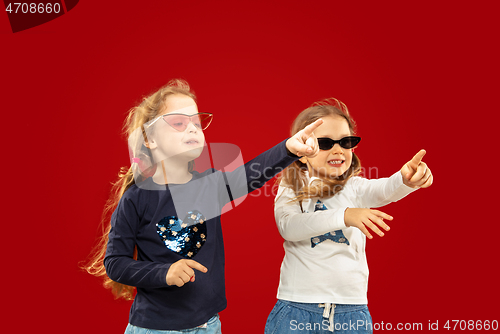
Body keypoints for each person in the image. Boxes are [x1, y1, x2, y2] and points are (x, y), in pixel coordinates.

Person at [82, 79, 323, 333]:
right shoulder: (136, 198)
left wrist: (289, 148)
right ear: (149, 139)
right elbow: (116, 263)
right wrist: (165, 273)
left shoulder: (210, 186)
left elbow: (251, 174)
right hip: (154, 328)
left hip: (208, 326)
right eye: (178, 123)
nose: (193, 130)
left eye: (197, 123)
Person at [265, 98, 433, 334]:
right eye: (325, 143)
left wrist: (405, 180)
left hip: (351, 311)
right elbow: (289, 227)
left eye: (346, 142)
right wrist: (345, 216)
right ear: (301, 153)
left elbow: (384, 189)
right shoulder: (291, 187)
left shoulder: (355, 188)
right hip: (297, 306)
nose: (338, 149)